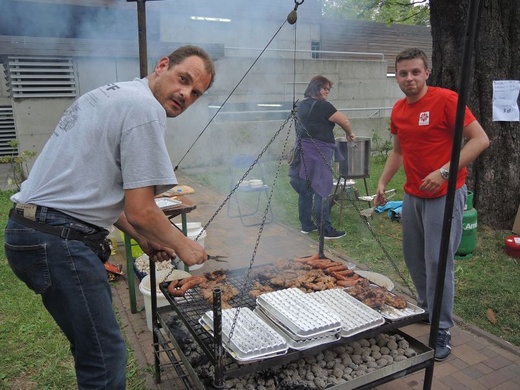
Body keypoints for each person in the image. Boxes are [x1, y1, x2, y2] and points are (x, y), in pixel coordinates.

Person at [4, 45, 216, 389]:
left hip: (31, 232)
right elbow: (142, 210)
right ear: (162, 66)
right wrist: (185, 246)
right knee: (105, 357)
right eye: (183, 79)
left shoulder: (113, 94)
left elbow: (94, 192)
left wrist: (144, 238)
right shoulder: (146, 108)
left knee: (93, 350)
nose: (185, 94)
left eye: (195, 93)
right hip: (56, 240)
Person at [374, 48, 489, 361]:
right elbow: (398, 152)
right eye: (403, 73)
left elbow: (480, 139)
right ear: (396, 77)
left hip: (445, 194)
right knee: (415, 259)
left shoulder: (446, 100)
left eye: (415, 72)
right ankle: (427, 307)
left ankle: (441, 328)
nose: (409, 78)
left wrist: (443, 173)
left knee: (439, 264)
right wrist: (383, 181)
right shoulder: (399, 109)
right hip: (413, 195)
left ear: (426, 73)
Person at [289, 75, 355, 239]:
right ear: (316, 88)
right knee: (322, 190)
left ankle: (306, 225)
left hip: (302, 153)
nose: (327, 92)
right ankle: (325, 230)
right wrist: (350, 134)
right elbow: (344, 121)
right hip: (318, 155)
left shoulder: (300, 105)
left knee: (305, 191)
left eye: (328, 89)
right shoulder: (324, 106)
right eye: (325, 88)